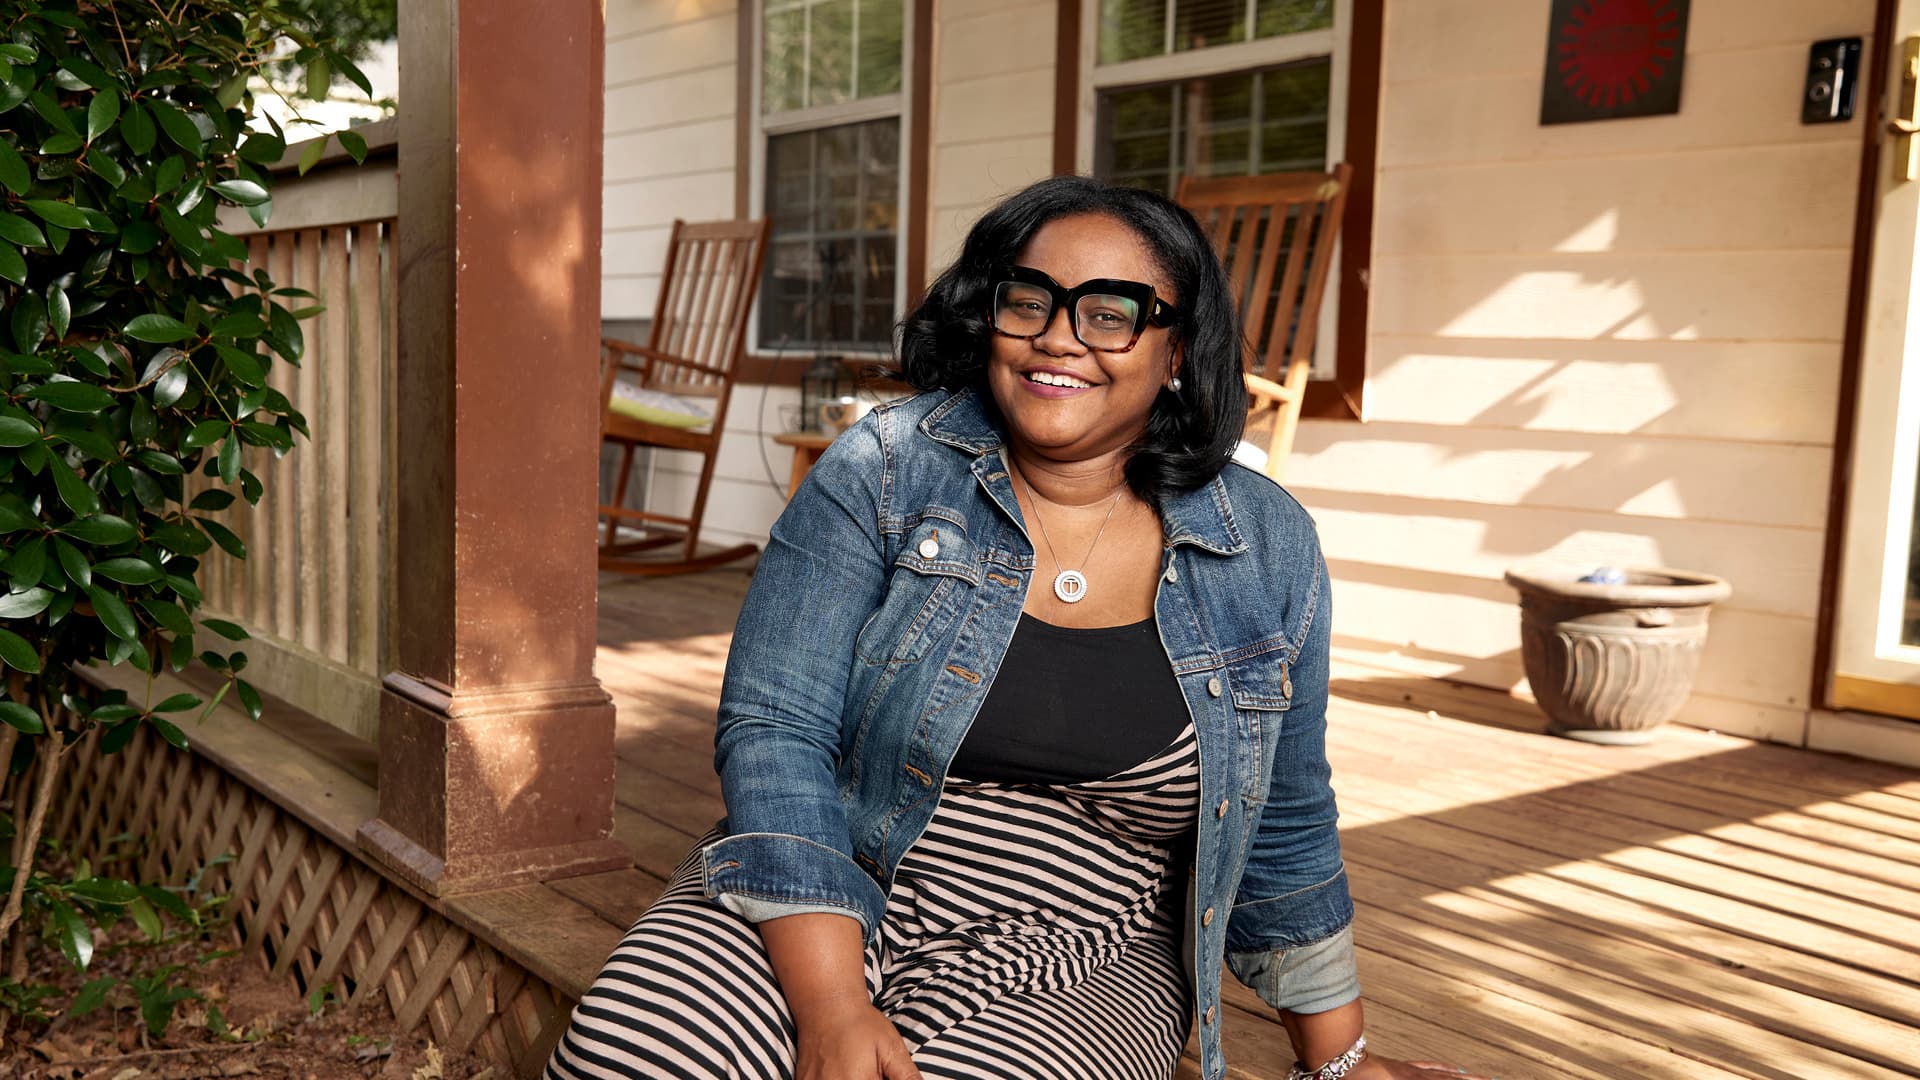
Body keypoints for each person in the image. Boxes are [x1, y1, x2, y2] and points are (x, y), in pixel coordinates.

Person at [546, 177, 1488, 1080]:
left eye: (1110, 312)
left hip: (1084, 941)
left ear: (1175, 354)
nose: (1058, 340)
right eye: (1029, 301)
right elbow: (774, 729)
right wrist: (832, 1003)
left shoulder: (1264, 546)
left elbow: (1285, 816)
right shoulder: (887, 468)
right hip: (832, 866)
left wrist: (1340, 1062)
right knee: (633, 1054)